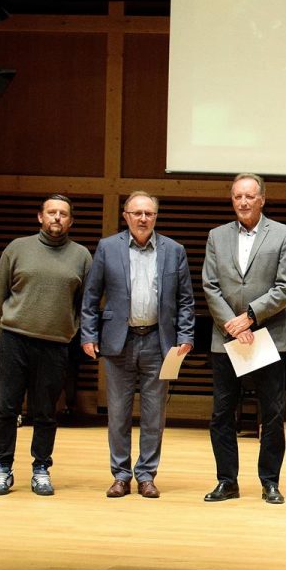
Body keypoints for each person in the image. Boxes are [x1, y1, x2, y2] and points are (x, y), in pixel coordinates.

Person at [80, 192, 196, 499]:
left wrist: (185, 336)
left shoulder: (174, 250)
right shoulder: (107, 247)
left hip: (159, 342)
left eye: (149, 213)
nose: (143, 218)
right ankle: (120, 475)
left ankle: (146, 475)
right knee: (118, 413)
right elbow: (91, 296)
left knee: (154, 415)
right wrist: (89, 335)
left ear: (156, 217)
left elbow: (185, 300)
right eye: (137, 213)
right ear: (126, 216)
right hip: (119, 341)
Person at [201, 173, 286, 504]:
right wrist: (233, 324)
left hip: (268, 335)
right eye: (238, 196)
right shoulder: (216, 236)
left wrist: (251, 317)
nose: (243, 202)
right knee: (222, 413)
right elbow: (210, 285)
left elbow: (285, 286)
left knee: (271, 413)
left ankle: (270, 482)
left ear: (262, 199)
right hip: (226, 336)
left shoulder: (283, 234)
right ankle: (227, 481)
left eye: (250, 196)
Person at [0, 194, 92, 496]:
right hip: (15, 339)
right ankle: (3, 468)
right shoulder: (17, 248)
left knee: (46, 411)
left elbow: (85, 303)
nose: (57, 217)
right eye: (51, 212)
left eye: (63, 214)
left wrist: (69, 331)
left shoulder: (81, 256)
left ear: (71, 221)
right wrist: (3, 335)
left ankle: (41, 468)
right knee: (6, 408)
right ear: (40, 217)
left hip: (55, 344)